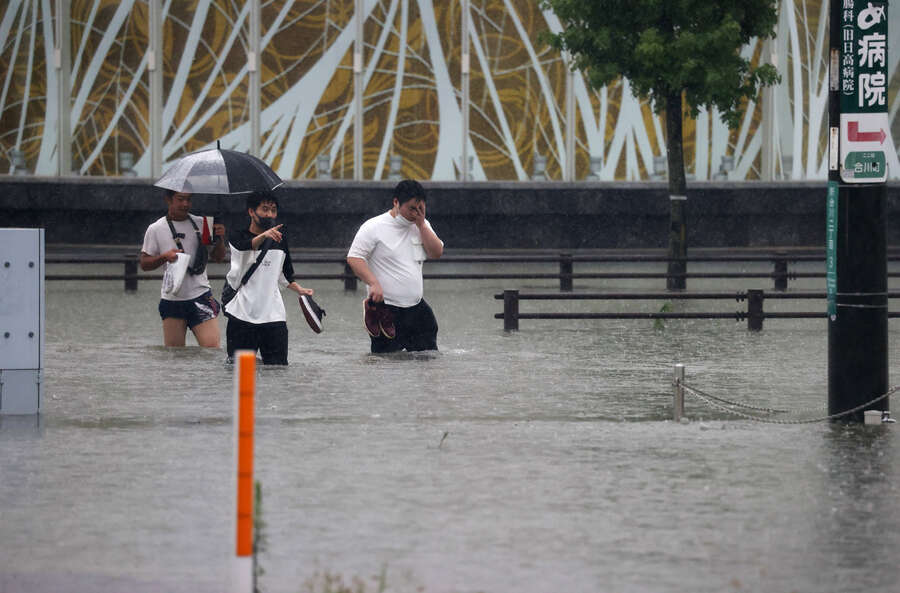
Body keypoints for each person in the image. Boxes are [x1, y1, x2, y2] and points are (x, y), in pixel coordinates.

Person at [347, 179, 444, 353]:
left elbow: (436, 252)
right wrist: (373, 283)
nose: (416, 213)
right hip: (386, 310)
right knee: (386, 362)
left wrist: (422, 225)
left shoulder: (422, 224)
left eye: (420, 208)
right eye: (411, 208)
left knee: (429, 358)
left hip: (417, 307)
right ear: (396, 202)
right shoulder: (373, 227)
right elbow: (354, 258)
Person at [223, 191, 314, 365]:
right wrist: (264, 236)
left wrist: (299, 289)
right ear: (251, 211)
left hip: (274, 316)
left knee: (277, 371)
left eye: (273, 210)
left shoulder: (280, 240)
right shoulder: (237, 236)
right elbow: (244, 248)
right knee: (241, 372)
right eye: (264, 209)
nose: (270, 214)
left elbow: (284, 274)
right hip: (242, 315)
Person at [140, 190, 226, 347]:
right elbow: (144, 264)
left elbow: (218, 258)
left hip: (200, 296)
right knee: (174, 354)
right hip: (172, 299)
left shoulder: (203, 224)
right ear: (168, 200)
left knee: (212, 350)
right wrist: (164, 257)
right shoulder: (156, 228)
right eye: (180, 199)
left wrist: (220, 239)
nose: (185, 204)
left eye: (188, 199)